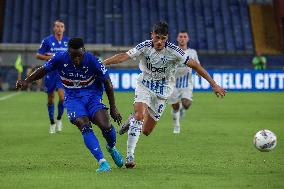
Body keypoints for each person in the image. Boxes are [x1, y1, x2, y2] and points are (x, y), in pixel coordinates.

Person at [103, 22, 226, 168]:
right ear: (152, 35)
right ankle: (130, 156)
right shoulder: (145, 46)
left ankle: (132, 120)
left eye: (163, 38)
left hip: (163, 91)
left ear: (167, 38)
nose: (159, 41)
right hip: (145, 85)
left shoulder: (175, 51)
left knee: (146, 131)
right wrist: (102, 63)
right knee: (140, 115)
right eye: (157, 38)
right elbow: (124, 56)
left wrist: (214, 84)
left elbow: (196, 66)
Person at [16, 38, 124, 173]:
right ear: (68, 52)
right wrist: (26, 81)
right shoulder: (60, 58)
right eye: (73, 56)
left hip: (92, 97)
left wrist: (113, 108)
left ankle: (111, 148)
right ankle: (102, 162)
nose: (76, 59)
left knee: (106, 126)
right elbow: (43, 70)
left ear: (84, 51)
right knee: (84, 125)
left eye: (79, 55)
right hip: (73, 99)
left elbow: (107, 83)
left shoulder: (93, 60)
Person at [36, 19, 69, 134]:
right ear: (54, 28)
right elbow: (38, 55)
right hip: (50, 73)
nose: (59, 28)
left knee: (62, 98)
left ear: (64, 29)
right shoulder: (47, 41)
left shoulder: (67, 42)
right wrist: (49, 58)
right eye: (57, 26)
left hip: (62, 74)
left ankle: (59, 119)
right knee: (50, 98)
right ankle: (52, 122)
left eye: (61, 26)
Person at [167, 31, 200, 134]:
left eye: (184, 37)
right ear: (177, 38)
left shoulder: (192, 52)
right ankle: (177, 125)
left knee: (186, 105)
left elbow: (197, 64)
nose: (182, 38)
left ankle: (182, 108)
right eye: (180, 37)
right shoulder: (172, 51)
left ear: (188, 39)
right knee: (175, 106)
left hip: (186, 83)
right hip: (172, 83)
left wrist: (198, 71)